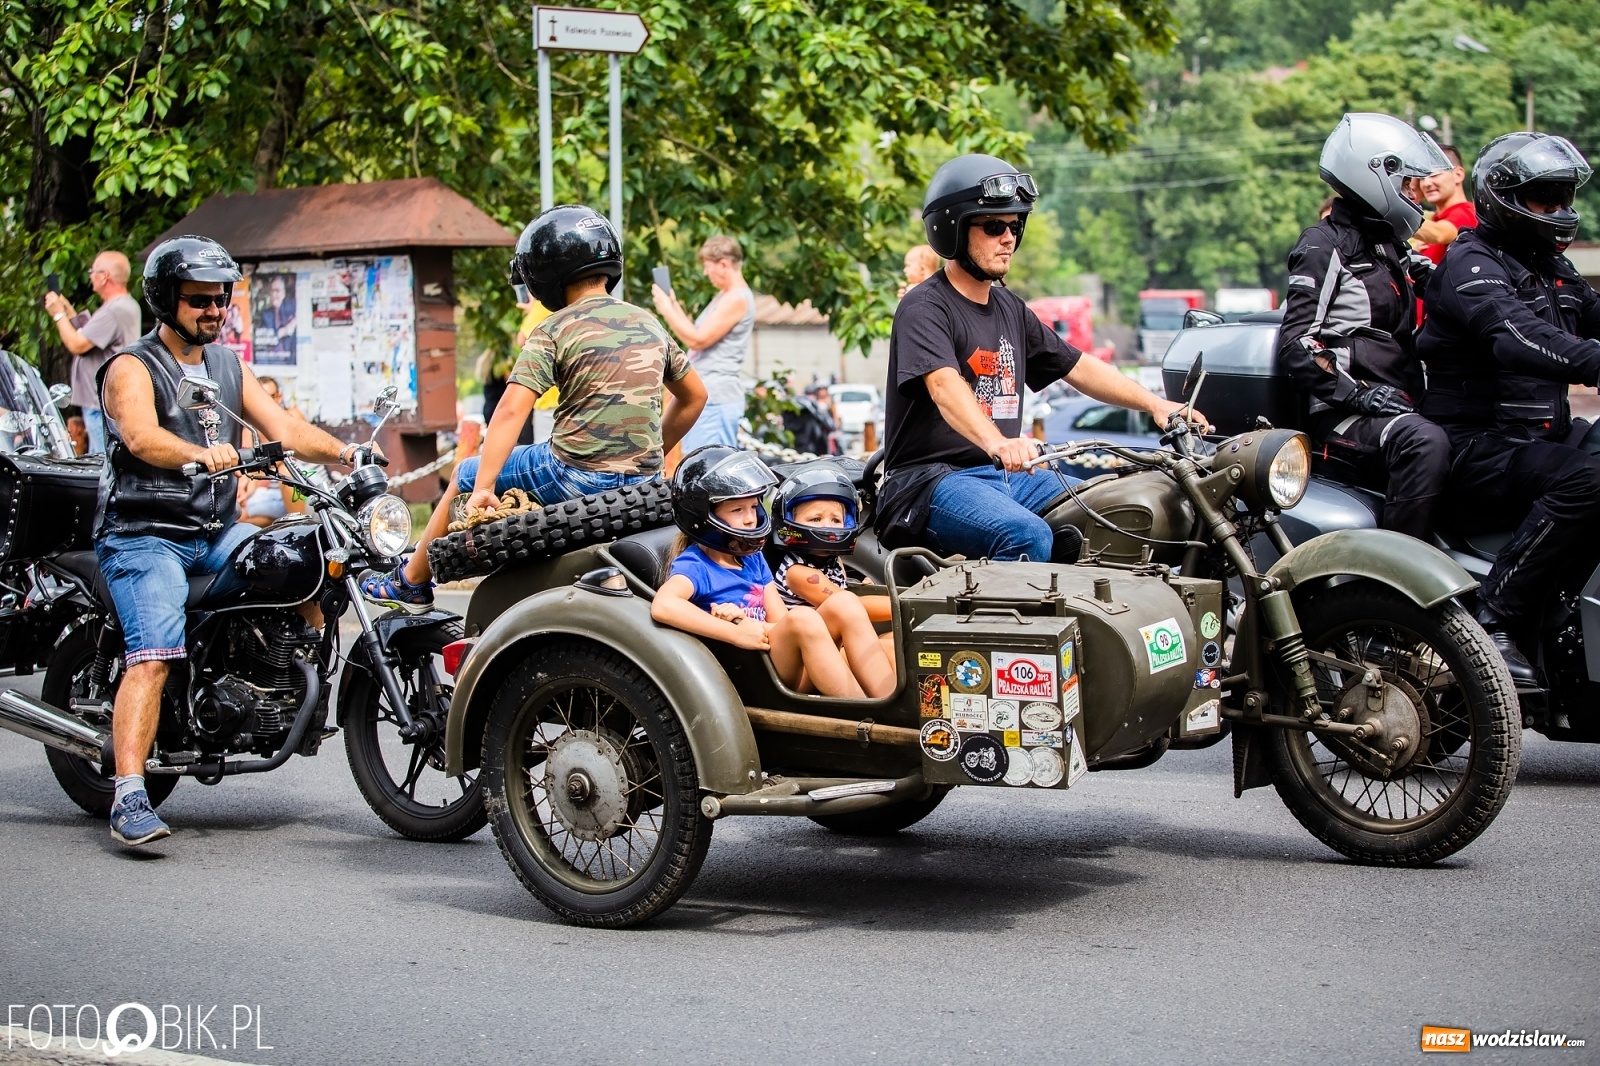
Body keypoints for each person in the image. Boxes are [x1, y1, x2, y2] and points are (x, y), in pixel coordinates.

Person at [97, 236, 366, 846]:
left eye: (221, 300)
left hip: (213, 533)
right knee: (155, 653)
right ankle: (129, 795)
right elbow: (140, 437)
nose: (214, 311)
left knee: (304, 563)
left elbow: (286, 428)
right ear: (166, 299)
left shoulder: (226, 366)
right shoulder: (132, 368)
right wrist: (202, 454)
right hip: (147, 538)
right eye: (199, 300)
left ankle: (286, 690)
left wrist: (349, 452)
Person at [361, 205, 708, 613]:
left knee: (463, 473)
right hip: (643, 481)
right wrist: (645, 450)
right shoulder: (647, 322)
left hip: (573, 474)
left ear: (544, 273)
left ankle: (410, 582)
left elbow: (510, 410)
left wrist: (485, 487)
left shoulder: (554, 328)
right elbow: (694, 396)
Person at [876, 154, 1205, 562]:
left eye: (1015, 226)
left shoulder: (1010, 308)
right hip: (929, 483)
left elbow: (1079, 366)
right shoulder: (926, 306)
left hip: (1003, 476)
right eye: (994, 226)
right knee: (1026, 536)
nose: (1009, 238)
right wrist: (997, 442)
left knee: (1115, 511)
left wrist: (1156, 404)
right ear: (953, 230)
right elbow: (944, 385)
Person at [1418, 132, 1600, 685]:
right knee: (1594, 479)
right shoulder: (1472, 263)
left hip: (1538, 439)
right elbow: (1514, 336)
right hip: (1477, 445)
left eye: (1563, 198)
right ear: (1504, 198)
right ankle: (1496, 614)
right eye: (1545, 198)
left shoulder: (1552, 267)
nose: (1559, 211)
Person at [1277, 113, 1455, 543]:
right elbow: (1297, 344)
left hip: (1400, 400)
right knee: (1424, 443)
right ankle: (1399, 577)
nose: (1413, 193)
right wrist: (1359, 394)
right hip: (1343, 415)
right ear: (1376, 173)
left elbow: (1450, 289)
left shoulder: (1389, 245)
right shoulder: (1324, 245)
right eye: (1406, 183)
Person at [651, 446, 894, 699]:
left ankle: (888, 701)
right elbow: (664, 605)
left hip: (782, 660)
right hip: (755, 675)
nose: (750, 519)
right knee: (802, 617)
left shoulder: (752, 558)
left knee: (844, 602)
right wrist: (734, 631)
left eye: (753, 507)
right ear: (703, 516)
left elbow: (778, 621)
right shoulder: (695, 566)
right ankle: (862, 715)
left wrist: (754, 625)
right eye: (737, 510)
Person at [652, 235, 754, 450]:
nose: (706, 273)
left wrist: (666, 310)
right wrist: (672, 303)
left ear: (724, 265)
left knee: (707, 472)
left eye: (708, 267)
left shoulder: (737, 299)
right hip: (709, 397)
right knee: (695, 466)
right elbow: (695, 332)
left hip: (716, 397)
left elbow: (697, 340)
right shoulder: (724, 296)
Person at [43, 250, 141, 454]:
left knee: (100, 460)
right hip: (105, 401)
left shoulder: (115, 310)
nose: (90, 276)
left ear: (105, 276)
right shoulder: (121, 305)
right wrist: (69, 311)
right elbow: (89, 335)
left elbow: (78, 344)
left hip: (101, 405)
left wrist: (58, 315)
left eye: (93, 271)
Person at [1416, 144, 1477, 265]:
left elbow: (1439, 234)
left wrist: (1391, 214)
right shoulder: (1434, 221)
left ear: (1458, 174)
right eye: (1422, 178)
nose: (1426, 183)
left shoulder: (1467, 213)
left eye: (1434, 175)